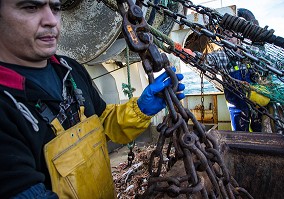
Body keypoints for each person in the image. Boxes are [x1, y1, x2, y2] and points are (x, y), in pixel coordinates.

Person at [0, 1, 185, 198]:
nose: (51, 20)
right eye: (30, 7)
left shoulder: (70, 69)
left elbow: (103, 122)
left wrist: (140, 109)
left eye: (55, 8)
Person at [203, 9, 264, 132]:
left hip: (256, 102)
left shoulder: (251, 53)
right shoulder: (220, 56)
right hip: (236, 106)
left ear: (238, 35)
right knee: (240, 131)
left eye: (231, 33)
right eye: (224, 33)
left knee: (259, 129)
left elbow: (265, 58)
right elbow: (205, 60)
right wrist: (190, 55)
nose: (228, 36)